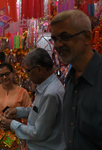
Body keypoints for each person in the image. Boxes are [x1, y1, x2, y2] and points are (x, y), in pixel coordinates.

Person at [50, 10, 102, 150]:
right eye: (55, 39)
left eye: (64, 37)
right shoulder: (71, 79)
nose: (57, 45)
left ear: (86, 37)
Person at [0, 48, 65, 150]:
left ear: (39, 69)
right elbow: (39, 111)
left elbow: (39, 132)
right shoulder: (45, 87)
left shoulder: (50, 93)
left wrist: (12, 124)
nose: (27, 75)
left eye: (28, 71)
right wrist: (18, 111)